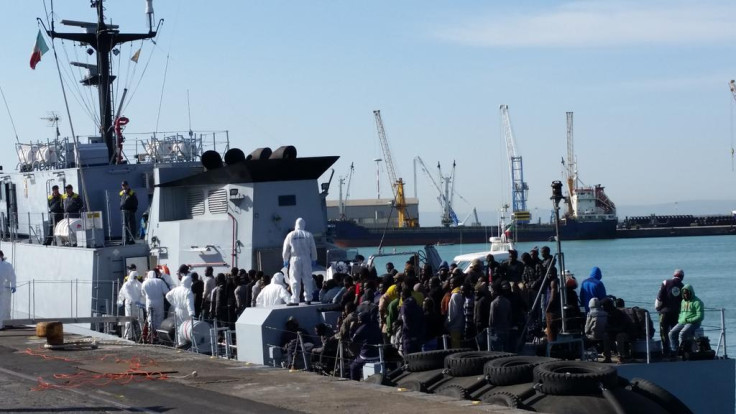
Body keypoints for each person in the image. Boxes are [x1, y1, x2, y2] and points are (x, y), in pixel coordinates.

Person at [282, 217, 318, 305]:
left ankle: (295, 299)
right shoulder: (308, 235)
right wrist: (314, 258)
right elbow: (313, 248)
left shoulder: (291, 235)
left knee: (294, 279)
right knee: (308, 279)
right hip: (306, 259)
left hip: (294, 259)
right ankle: (308, 298)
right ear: (304, 225)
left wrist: (285, 259)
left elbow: (286, 249)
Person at [655, 269, 685, 356]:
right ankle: (675, 350)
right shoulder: (683, 286)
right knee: (675, 332)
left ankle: (665, 350)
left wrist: (658, 308)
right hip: (676, 313)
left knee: (663, 331)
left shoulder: (666, 282)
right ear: (682, 277)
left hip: (664, 312)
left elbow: (659, 297)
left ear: (674, 275)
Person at [668, 284, 704, 354]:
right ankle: (675, 350)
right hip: (682, 322)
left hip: (693, 323)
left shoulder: (698, 302)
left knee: (682, 333)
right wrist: (680, 320)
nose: (686, 295)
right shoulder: (683, 302)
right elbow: (681, 313)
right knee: (671, 333)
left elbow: (700, 316)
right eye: (684, 293)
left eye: (687, 293)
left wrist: (690, 320)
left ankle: (683, 350)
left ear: (691, 292)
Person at [349, 310, 383, 380]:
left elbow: (353, 340)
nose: (358, 322)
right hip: (378, 354)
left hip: (366, 355)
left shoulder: (361, 329)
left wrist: (351, 328)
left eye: (359, 320)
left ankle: (355, 383)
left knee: (353, 366)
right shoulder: (376, 327)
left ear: (362, 320)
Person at [165, 275, 195, 346]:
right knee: (187, 327)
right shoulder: (188, 291)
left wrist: (174, 304)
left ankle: (180, 342)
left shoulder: (176, 289)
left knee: (179, 327)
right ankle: (188, 342)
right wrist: (192, 313)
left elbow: (167, 296)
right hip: (185, 311)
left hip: (177, 310)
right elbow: (189, 303)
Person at [117, 268, 143, 340]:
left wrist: (120, 301)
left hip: (129, 305)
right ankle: (142, 336)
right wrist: (143, 303)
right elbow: (143, 294)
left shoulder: (126, 284)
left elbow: (122, 294)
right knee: (140, 321)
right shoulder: (139, 284)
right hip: (138, 305)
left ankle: (129, 336)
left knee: (128, 321)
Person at [399, 287, 424, 355]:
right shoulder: (417, 305)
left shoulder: (404, 306)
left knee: (408, 360)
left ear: (403, 296)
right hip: (418, 336)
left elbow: (406, 321)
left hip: (408, 337)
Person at [584, 297, 611, 362]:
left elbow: (586, 330)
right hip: (603, 336)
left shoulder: (590, 314)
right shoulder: (605, 313)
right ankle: (607, 356)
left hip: (593, 336)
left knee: (582, 338)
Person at [0, 251, 17, 330]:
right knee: (4, 307)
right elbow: (12, 276)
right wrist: (13, 286)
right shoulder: (7, 265)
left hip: (5, 288)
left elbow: (12, 276)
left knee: (4, 307)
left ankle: (5, 323)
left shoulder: (7, 265)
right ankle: (4, 323)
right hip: (5, 289)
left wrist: (13, 285)